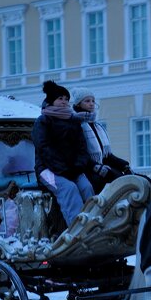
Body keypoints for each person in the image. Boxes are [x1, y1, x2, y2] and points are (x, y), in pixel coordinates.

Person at [31, 81, 102, 224]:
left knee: (87, 187)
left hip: (73, 169)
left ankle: (93, 224)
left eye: (66, 99)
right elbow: (44, 149)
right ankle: (76, 228)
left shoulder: (73, 121)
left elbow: (82, 148)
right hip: (48, 170)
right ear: (51, 101)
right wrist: (62, 169)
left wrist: (78, 166)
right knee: (69, 189)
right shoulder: (43, 121)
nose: (64, 102)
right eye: (60, 98)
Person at [69, 86, 131, 193]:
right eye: (87, 101)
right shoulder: (76, 125)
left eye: (93, 101)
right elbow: (80, 155)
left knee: (125, 180)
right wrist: (97, 167)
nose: (92, 103)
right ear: (78, 104)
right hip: (86, 171)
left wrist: (124, 165)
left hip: (100, 168)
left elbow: (107, 155)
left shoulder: (96, 126)